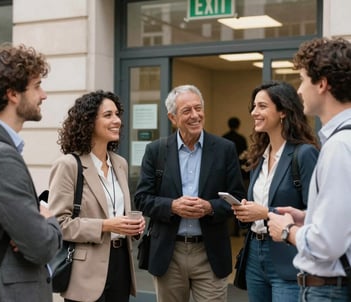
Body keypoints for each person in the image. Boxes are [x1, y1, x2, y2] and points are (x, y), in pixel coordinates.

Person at [134, 84, 246, 302]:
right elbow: (142, 198)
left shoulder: (224, 149)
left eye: (198, 108)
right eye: (187, 111)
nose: (195, 115)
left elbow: (237, 199)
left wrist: (210, 207)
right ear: (173, 118)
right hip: (169, 252)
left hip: (209, 252)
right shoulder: (156, 151)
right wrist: (172, 206)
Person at [0, 43, 62, 301]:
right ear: (13, 94)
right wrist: (49, 219)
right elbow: (42, 246)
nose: (43, 95)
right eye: (36, 86)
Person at [267, 38, 351, 302]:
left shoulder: (339, 146)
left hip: (328, 290)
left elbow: (326, 244)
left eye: (303, 79)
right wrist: (309, 217)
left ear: (322, 84)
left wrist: (286, 230)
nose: (300, 90)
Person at [48, 90, 145, 302]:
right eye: (108, 115)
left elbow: (120, 213)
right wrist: (106, 226)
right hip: (85, 272)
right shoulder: (68, 165)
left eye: (117, 114)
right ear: (88, 121)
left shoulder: (120, 163)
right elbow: (59, 223)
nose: (117, 120)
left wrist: (133, 226)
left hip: (121, 264)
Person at [232, 81, 319, 302]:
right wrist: (245, 211)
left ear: (282, 111)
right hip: (254, 253)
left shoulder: (304, 154)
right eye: (253, 107)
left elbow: (316, 213)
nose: (254, 113)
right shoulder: (258, 157)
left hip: (288, 256)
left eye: (262, 106)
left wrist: (264, 212)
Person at [223, 117, 249, 236]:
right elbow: (244, 156)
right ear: (238, 125)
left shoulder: (223, 139)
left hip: (225, 174)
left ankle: (228, 230)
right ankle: (237, 230)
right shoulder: (241, 139)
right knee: (239, 201)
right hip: (240, 174)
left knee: (227, 201)